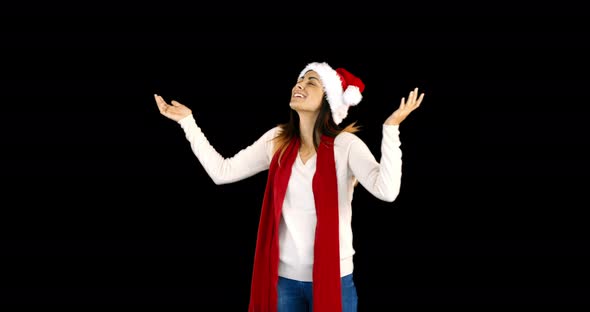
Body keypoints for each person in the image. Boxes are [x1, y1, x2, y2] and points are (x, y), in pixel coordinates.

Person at [154, 61, 424, 312]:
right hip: (283, 281)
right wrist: (188, 122)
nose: (299, 85)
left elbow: (387, 191)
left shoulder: (346, 146)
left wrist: (391, 129)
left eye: (311, 82)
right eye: (299, 80)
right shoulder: (277, 141)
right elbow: (222, 172)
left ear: (328, 99)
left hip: (335, 279)